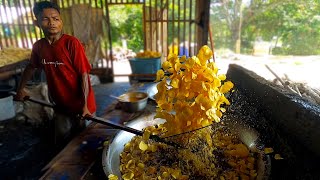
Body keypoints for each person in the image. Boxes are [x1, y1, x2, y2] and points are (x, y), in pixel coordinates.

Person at [15, 1, 96, 144]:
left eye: (55, 18)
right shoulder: (39, 46)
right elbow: (31, 67)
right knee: (61, 140)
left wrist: (85, 106)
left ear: (61, 21)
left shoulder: (72, 43)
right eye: (45, 19)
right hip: (60, 104)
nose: (51, 22)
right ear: (37, 22)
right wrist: (20, 89)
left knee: (85, 141)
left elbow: (83, 75)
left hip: (82, 105)